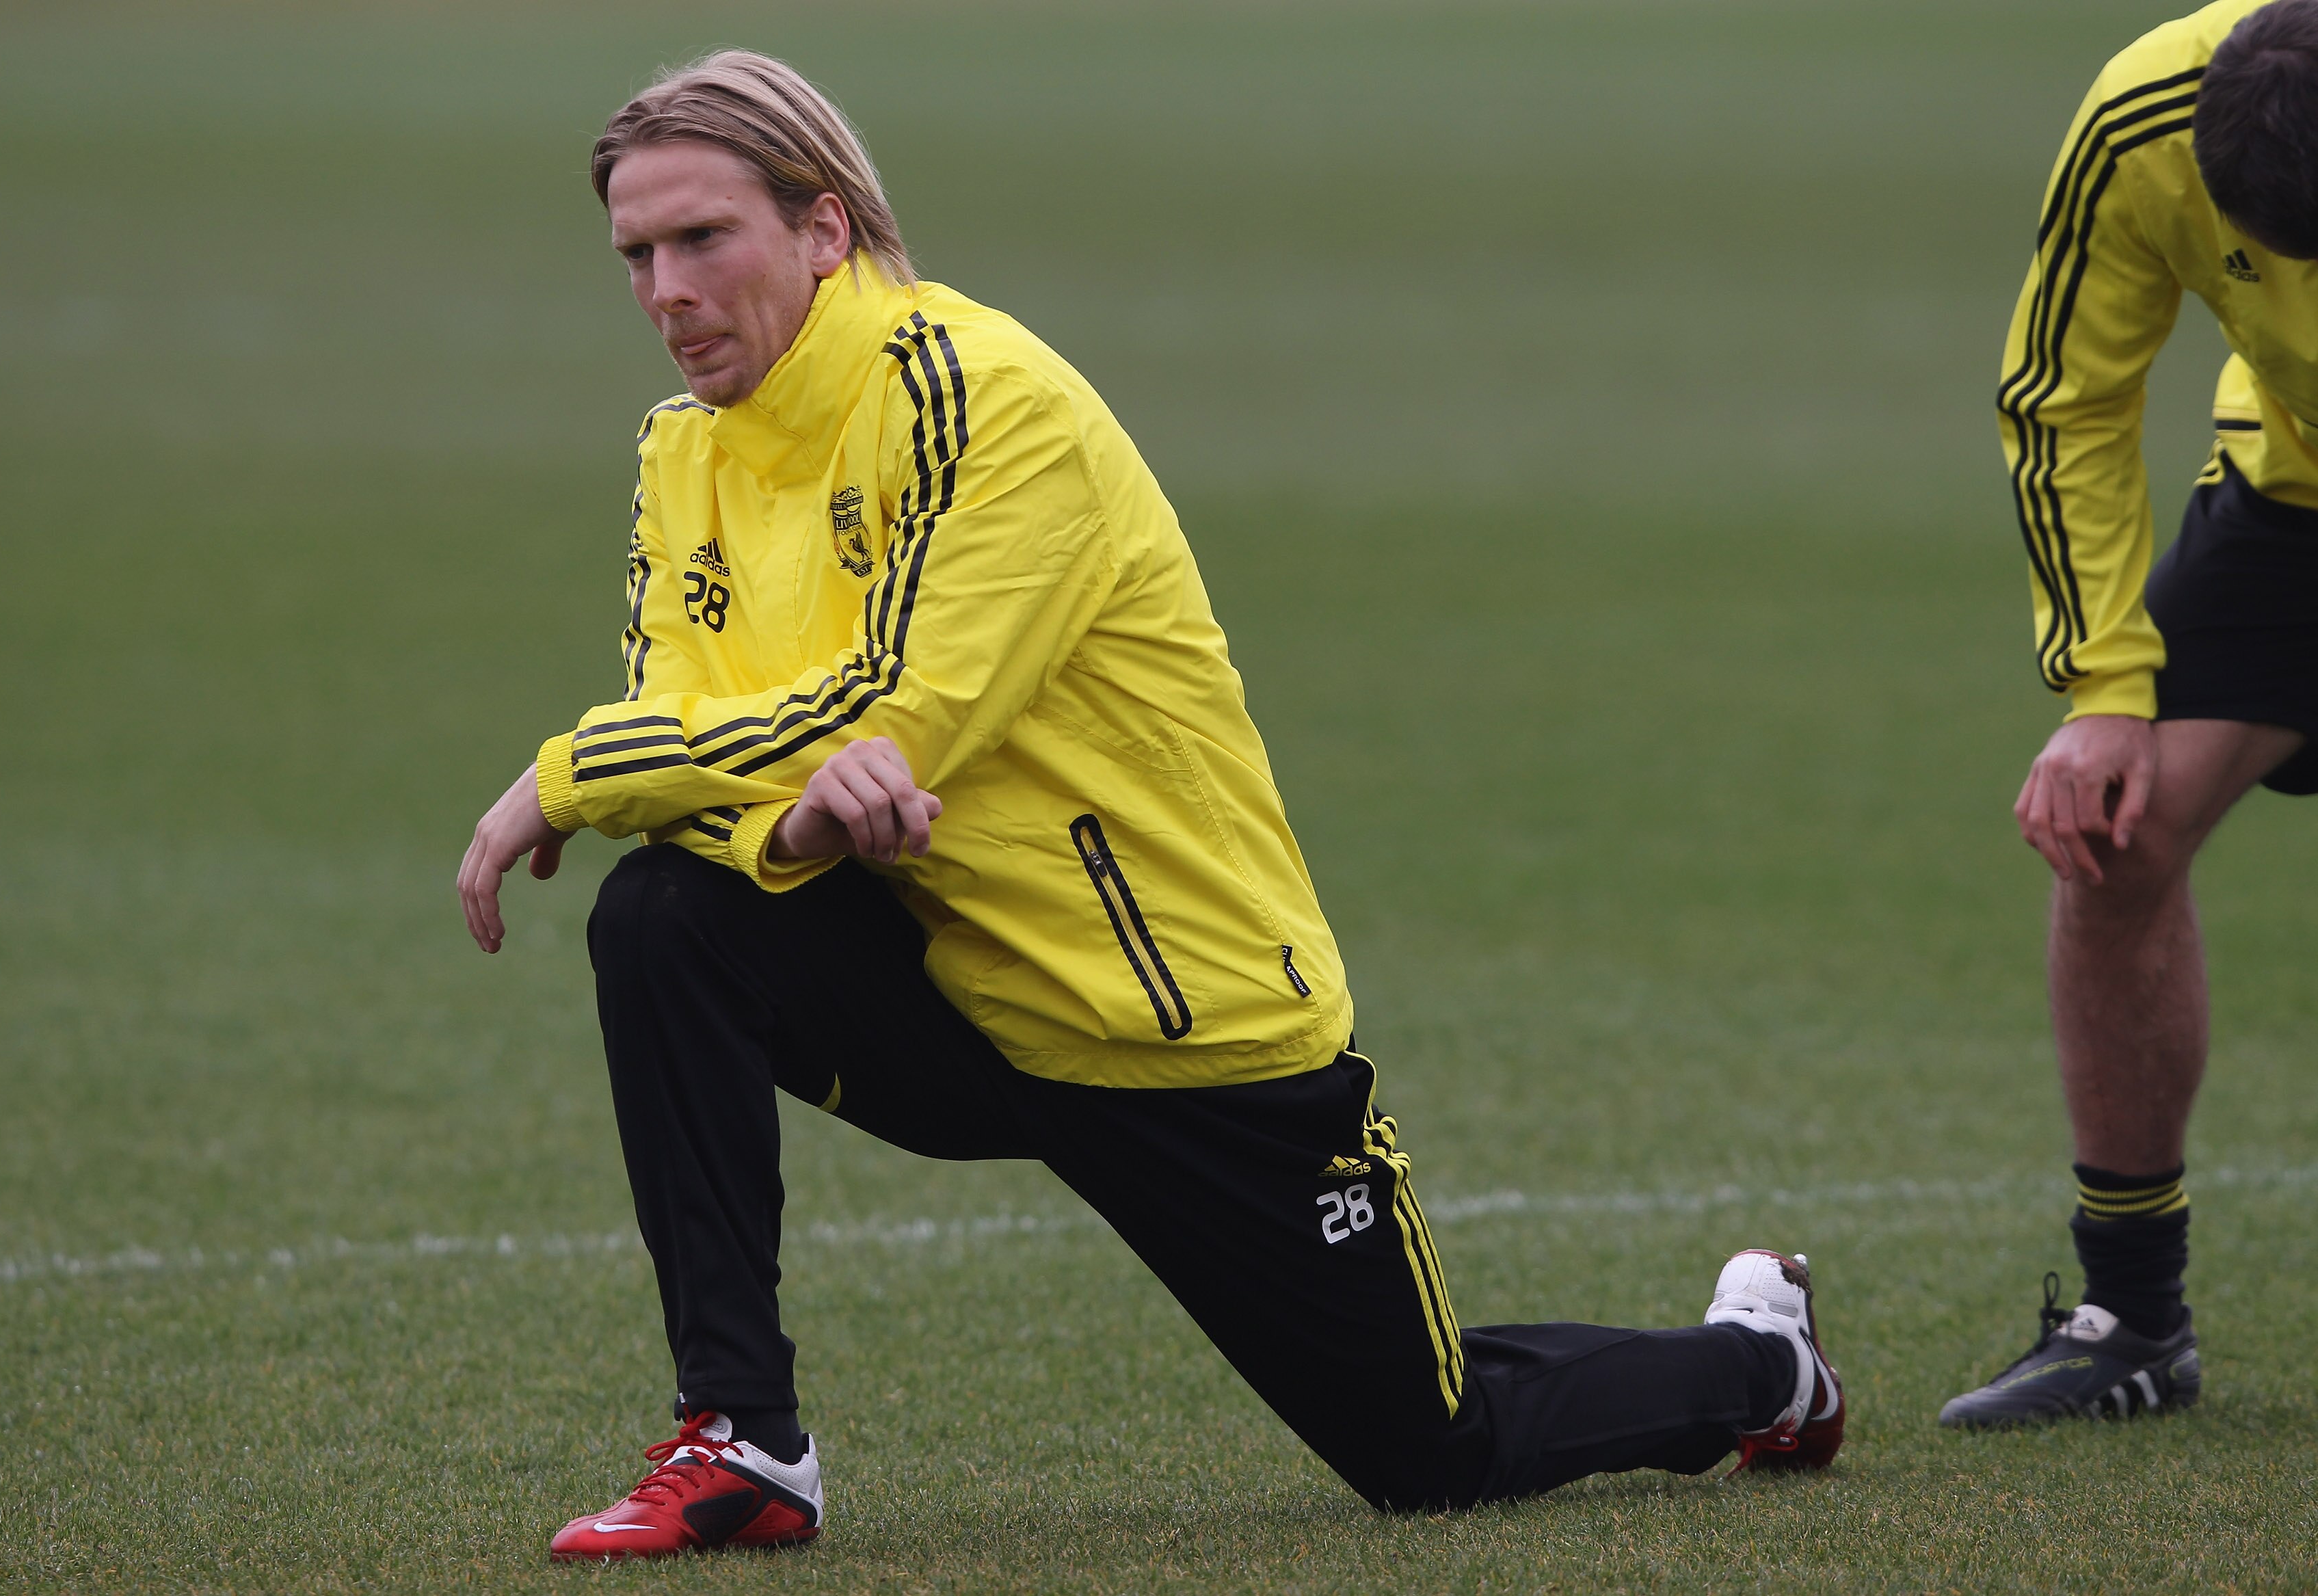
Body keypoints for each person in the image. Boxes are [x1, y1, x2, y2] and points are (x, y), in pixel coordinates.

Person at [456, 50, 1846, 1560]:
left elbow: (893, 713)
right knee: (663, 916)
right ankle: (743, 1443)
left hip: (1169, 1019)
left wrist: (571, 773)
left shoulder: (986, 399)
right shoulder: (683, 453)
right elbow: (698, 725)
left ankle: (1763, 1360)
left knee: (1434, 1455)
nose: (665, 289)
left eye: (702, 239)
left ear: (825, 227)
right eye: (637, 255)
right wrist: (782, 823)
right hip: (944, 990)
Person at [1951, 0, 2318, 1427]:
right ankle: (2132, 1319)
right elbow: (2068, 400)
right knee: (2117, 834)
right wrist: (2101, 691)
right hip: (2292, 493)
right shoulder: (2138, 118)